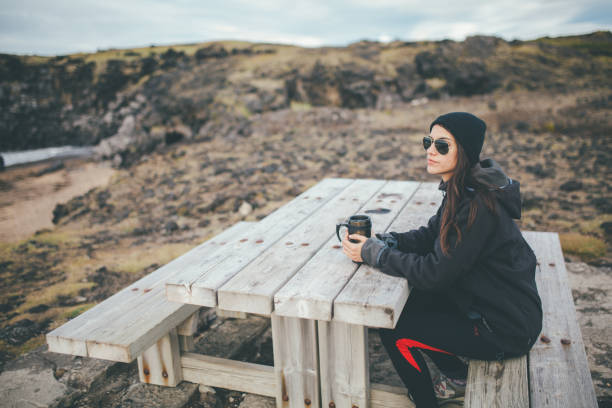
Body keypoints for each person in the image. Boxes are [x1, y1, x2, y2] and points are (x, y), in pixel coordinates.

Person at [341, 112, 542, 407]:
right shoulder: (464, 189)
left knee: (393, 327)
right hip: (497, 307)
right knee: (411, 302)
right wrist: (387, 242)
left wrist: (376, 255)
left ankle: (425, 401)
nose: (430, 150)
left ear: (465, 151)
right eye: (428, 141)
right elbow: (429, 235)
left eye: (442, 145)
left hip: (504, 329)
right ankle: (457, 377)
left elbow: (434, 273)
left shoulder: (477, 206)